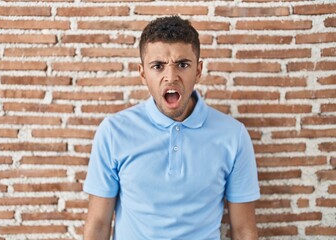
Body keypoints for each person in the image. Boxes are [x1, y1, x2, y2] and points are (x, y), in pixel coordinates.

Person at [83, 16, 260, 240]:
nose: (171, 77)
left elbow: (244, 230)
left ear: (198, 70)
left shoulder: (234, 135)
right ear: (143, 73)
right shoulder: (113, 132)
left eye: (183, 64)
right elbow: (98, 225)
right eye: (158, 66)